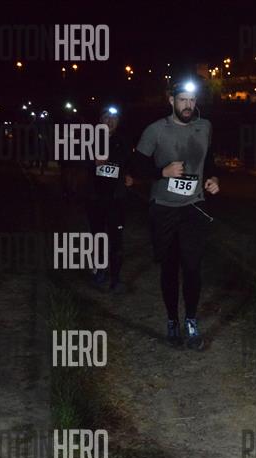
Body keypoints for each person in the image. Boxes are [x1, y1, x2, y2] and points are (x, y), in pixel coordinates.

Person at [133, 78, 220, 350]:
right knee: (169, 268)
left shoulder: (204, 126)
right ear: (171, 100)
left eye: (192, 100)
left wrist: (214, 178)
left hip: (194, 206)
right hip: (164, 208)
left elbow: (209, 159)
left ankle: (191, 321)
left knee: (192, 267)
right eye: (183, 100)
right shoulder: (155, 130)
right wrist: (162, 172)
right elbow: (136, 166)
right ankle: (172, 320)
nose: (188, 105)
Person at [87, 106, 133, 292]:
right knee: (98, 236)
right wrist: (92, 162)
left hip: (116, 199)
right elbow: (76, 162)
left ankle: (116, 279)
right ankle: (99, 270)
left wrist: (129, 175)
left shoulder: (123, 141)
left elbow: (129, 163)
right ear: (100, 119)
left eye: (114, 118)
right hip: (95, 198)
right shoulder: (89, 139)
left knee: (116, 239)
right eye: (106, 117)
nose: (110, 121)